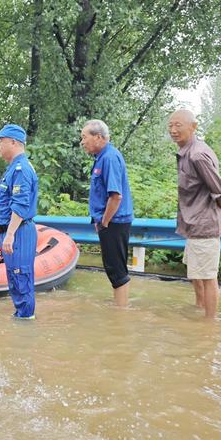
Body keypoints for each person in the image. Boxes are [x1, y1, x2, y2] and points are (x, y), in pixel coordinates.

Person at [168, 109, 221, 319]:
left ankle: (209, 326)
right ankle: (199, 310)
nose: (173, 130)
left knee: (208, 277)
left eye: (178, 125)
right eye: (170, 126)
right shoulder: (186, 151)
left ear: (193, 127)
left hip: (204, 226)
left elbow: (220, 189)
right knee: (196, 274)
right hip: (194, 226)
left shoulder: (197, 154)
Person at [80, 120, 134, 307]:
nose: (82, 142)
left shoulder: (109, 158)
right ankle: (119, 307)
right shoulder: (101, 157)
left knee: (117, 270)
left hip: (114, 222)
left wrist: (104, 222)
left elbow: (115, 196)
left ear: (98, 137)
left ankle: (120, 314)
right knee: (113, 267)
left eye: (84, 137)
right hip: (110, 221)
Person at [0, 124, 39, 319]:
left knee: (21, 277)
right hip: (11, 231)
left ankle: (26, 321)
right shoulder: (13, 168)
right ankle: (21, 316)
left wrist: (10, 234)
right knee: (15, 278)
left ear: (13, 142)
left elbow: (20, 204)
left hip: (18, 232)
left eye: (1, 141)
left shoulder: (21, 169)